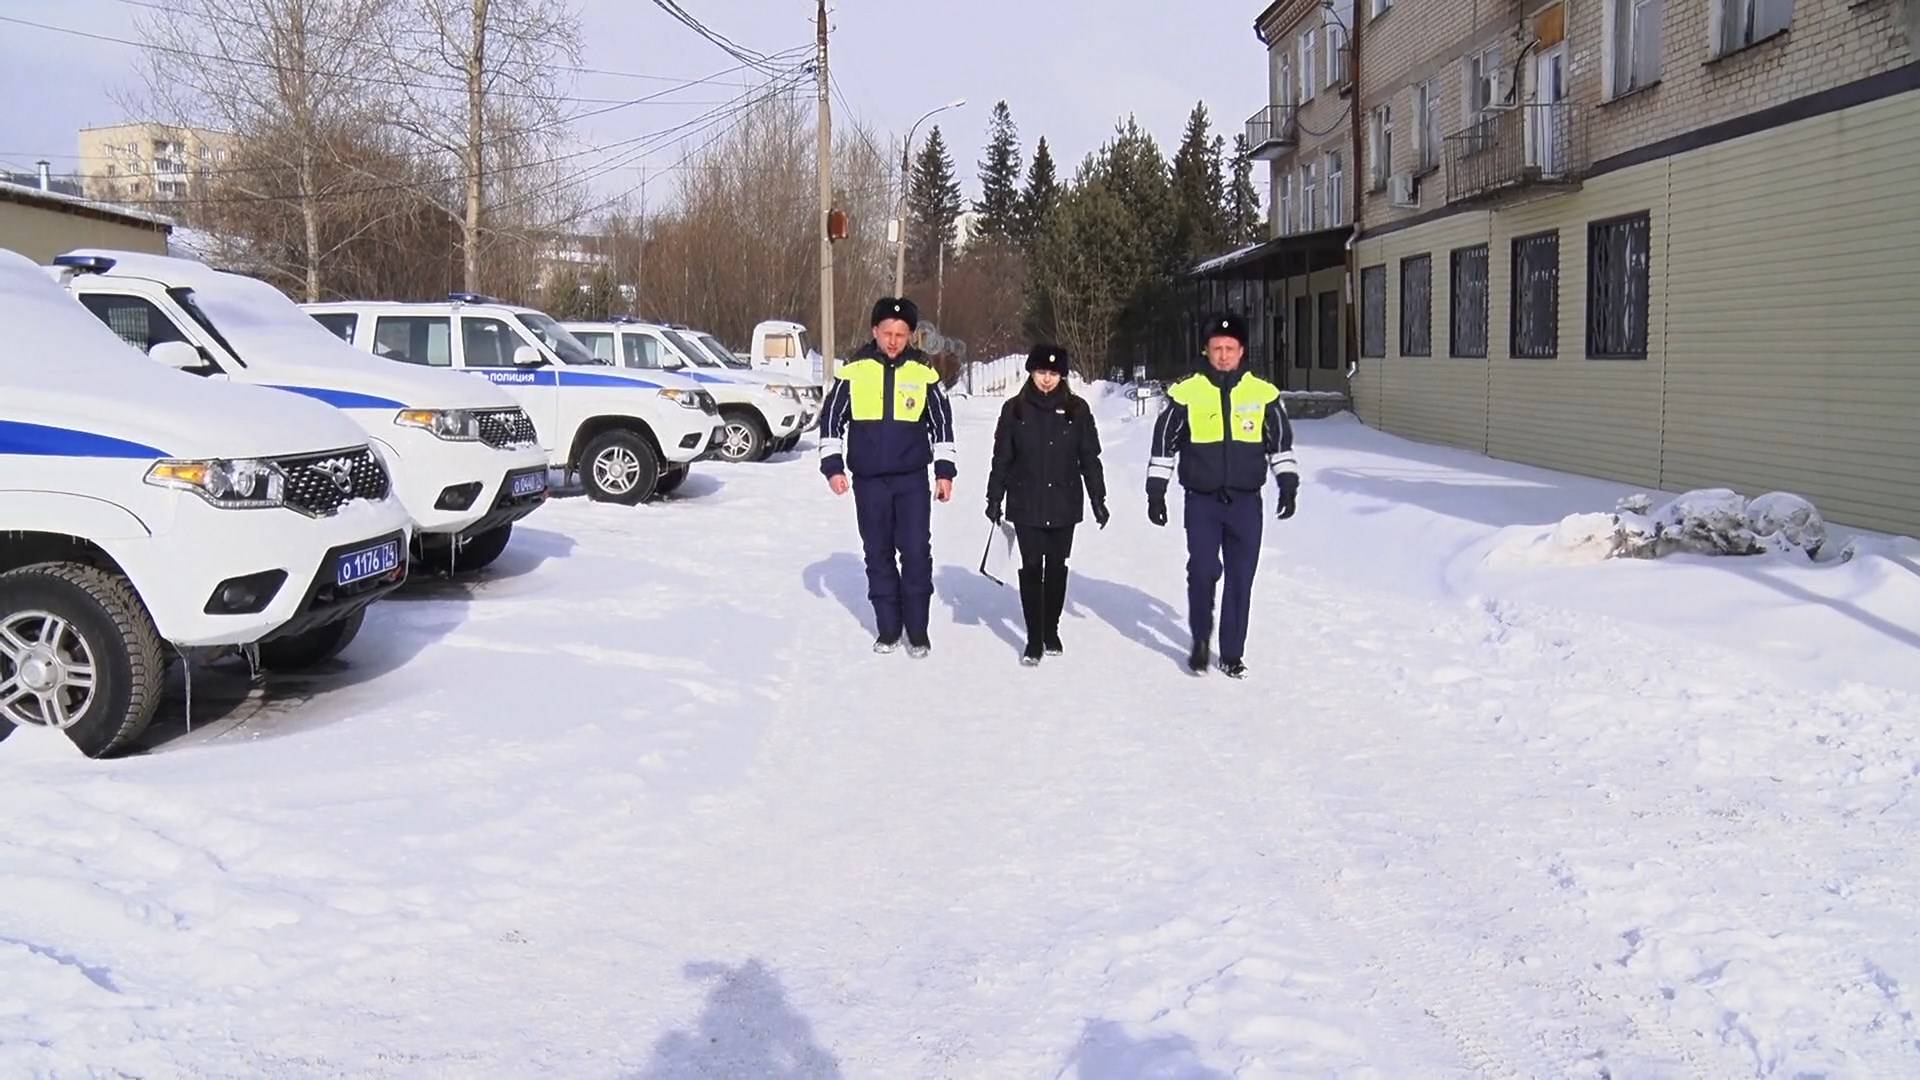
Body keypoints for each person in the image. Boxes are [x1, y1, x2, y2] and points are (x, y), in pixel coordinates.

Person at [1146, 314, 1299, 679]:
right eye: (1217, 348)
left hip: (1246, 503)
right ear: (1207, 350)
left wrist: (1288, 484)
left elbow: (1280, 444)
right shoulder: (1186, 393)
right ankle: (1200, 638)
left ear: (1242, 351)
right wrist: (1156, 491)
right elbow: (1164, 444)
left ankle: (1232, 653)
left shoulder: (1263, 395)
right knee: (1203, 569)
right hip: (1202, 501)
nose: (1224, 355)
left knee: (1241, 577)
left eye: (1231, 349)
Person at [819, 297, 957, 657]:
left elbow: (942, 425)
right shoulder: (854, 371)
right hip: (869, 482)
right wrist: (833, 467)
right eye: (887, 333)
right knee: (877, 553)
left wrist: (944, 473)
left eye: (901, 334)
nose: (893, 340)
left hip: (911, 480)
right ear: (874, 332)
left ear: (911, 335)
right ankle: (888, 628)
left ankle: (917, 629)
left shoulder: (924, 373)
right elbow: (831, 420)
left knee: (915, 552)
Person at [985, 344, 1108, 666]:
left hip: (1064, 501)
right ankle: (1034, 637)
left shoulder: (1077, 410)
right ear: (1031, 372)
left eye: (1053, 373)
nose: (1047, 379)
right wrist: (994, 496)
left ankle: (1051, 628)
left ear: (1062, 376)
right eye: (1041, 372)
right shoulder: (1015, 410)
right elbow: (1002, 458)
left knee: (1056, 567)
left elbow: (1089, 458)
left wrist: (1098, 498)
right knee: (1031, 567)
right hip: (1025, 501)